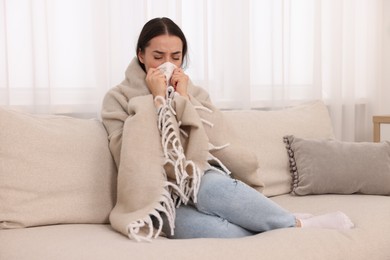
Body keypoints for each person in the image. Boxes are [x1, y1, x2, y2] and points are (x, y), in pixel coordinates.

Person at [101, 17, 354, 241]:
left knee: (211, 187)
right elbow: (127, 154)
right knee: (223, 232)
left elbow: (214, 142)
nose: (167, 64)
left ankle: (294, 223)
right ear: (141, 55)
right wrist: (154, 100)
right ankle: (284, 221)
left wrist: (184, 101)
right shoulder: (118, 98)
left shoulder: (192, 92)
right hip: (155, 196)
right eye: (158, 57)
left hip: (197, 178)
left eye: (175, 57)